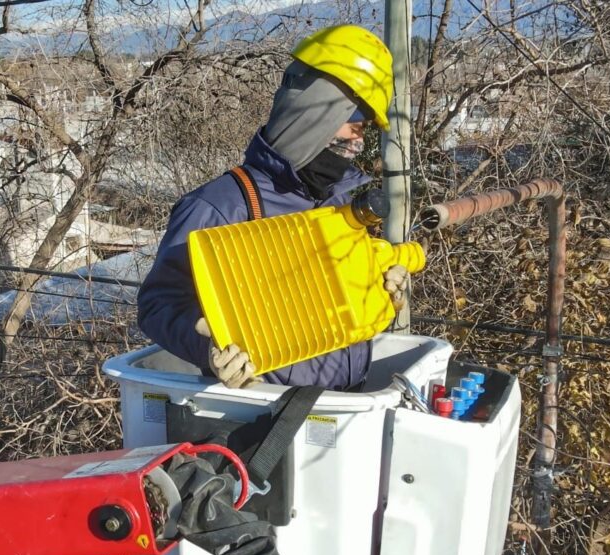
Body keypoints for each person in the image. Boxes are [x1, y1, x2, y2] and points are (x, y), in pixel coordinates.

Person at [138, 25, 410, 390]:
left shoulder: (338, 200)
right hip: (267, 425)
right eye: (356, 123)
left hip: (346, 410)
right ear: (316, 111)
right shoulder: (222, 206)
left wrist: (380, 291)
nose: (360, 140)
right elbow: (158, 305)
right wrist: (209, 345)